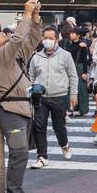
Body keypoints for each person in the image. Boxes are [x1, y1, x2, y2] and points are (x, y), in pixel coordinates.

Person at [0, 0, 42, 193]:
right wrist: (26, 14)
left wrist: (35, 19)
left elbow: (33, 40)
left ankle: (17, 191)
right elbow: (18, 39)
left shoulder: (14, 55)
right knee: (20, 152)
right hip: (10, 111)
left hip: (23, 109)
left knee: (22, 153)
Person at [27, 26, 78, 167]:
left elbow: (73, 75)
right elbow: (31, 76)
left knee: (59, 126)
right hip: (40, 97)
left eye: (51, 38)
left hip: (59, 96)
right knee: (39, 126)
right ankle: (42, 157)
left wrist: (73, 93)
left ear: (56, 40)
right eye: (45, 38)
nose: (47, 41)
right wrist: (30, 93)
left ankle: (65, 144)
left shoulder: (65, 55)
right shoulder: (36, 57)